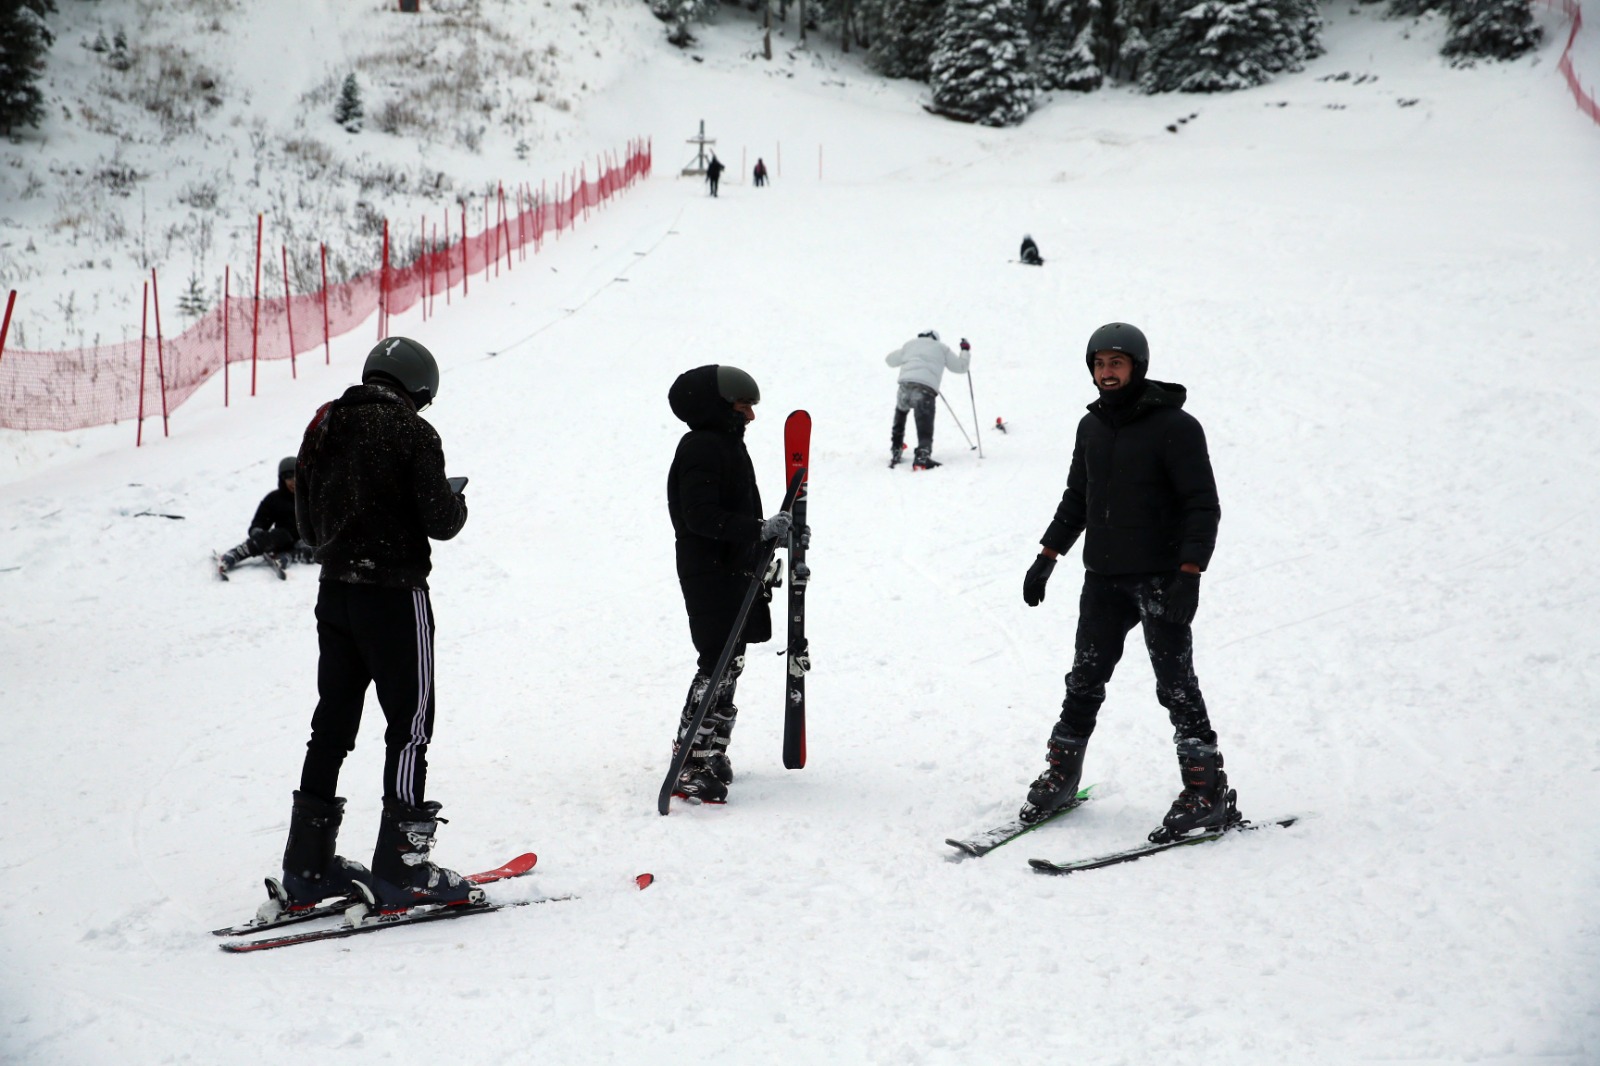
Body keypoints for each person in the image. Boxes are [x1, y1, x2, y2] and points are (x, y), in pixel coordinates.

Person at [276, 335, 475, 912]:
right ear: (417, 387)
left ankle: (306, 869)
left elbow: (308, 528)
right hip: (393, 596)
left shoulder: (325, 423)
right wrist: (454, 500)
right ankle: (403, 869)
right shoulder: (413, 431)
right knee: (409, 727)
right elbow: (441, 522)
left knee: (331, 726)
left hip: (335, 592)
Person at [1017, 322, 1228, 844]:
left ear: (1138, 366)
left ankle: (1207, 792)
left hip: (1161, 578)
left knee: (1176, 685)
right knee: (1084, 681)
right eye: (1098, 363)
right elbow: (1077, 497)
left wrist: (1190, 575)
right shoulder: (1091, 428)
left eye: (1116, 363)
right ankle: (1063, 776)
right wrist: (1048, 555)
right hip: (1104, 579)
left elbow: (1202, 505)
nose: (1106, 373)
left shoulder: (1176, 427)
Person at [666, 364, 791, 804]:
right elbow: (700, 516)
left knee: (730, 661)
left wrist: (771, 533)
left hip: (732, 567)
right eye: (743, 408)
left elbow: (734, 513)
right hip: (710, 571)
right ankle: (690, 761)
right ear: (718, 407)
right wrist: (757, 530)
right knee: (716, 661)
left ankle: (711, 749)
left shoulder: (725, 446)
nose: (751, 417)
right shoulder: (701, 447)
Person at [885, 329, 970, 470]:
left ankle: (896, 450)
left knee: (900, 414)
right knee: (924, 421)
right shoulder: (942, 348)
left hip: (904, 386)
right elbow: (961, 367)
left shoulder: (910, 345)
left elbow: (889, 360)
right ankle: (922, 456)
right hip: (925, 389)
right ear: (935, 339)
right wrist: (965, 350)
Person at [217, 457, 311, 572]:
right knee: (280, 535)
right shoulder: (274, 499)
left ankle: (291, 556)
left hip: (308, 543)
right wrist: (258, 533)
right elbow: (260, 521)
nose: (293, 481)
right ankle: (237, 553)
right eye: (288, 477)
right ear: (282, 480)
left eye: (297, 476)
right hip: (283, 539)